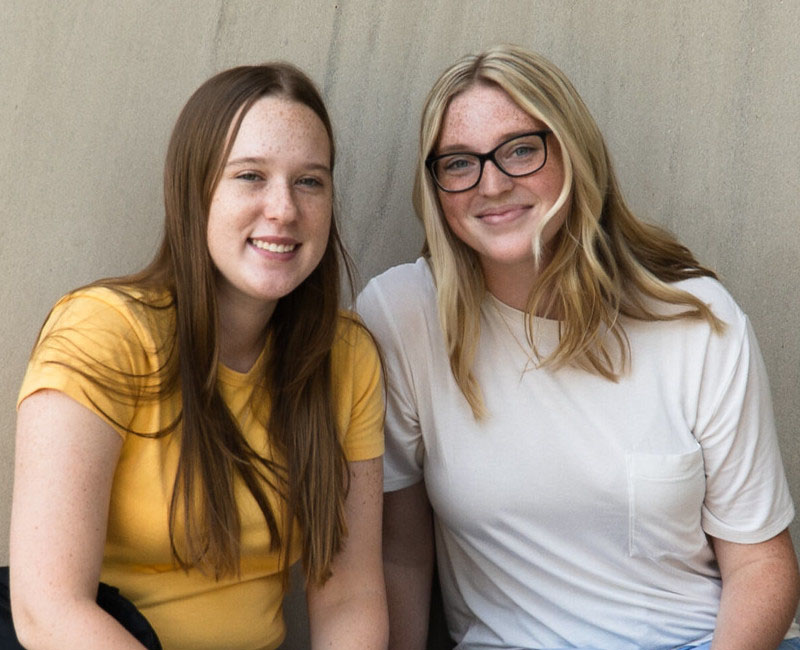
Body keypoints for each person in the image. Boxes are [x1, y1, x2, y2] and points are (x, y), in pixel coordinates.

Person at [357, 44, 800, 650]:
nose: (491, 183)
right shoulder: (403, 317)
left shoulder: (696, 320)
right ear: (436, 187)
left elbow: (760, 565)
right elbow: (402, 557)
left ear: (573, 154)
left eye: (520, 149)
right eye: (459, 163)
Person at [10, 63, 388, 650]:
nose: (283, 209)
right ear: (195, 190)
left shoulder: (345, 356)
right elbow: (47, 608)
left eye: (309, 181)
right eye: (250, 176)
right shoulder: (105, 332)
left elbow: (350, 595)